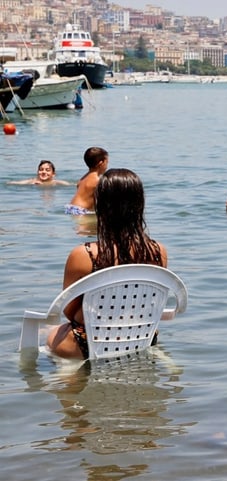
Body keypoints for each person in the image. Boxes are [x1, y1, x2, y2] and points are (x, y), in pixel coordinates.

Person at [47, 168, 168, 359]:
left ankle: (71, 380)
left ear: (100, 205)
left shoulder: (84, 254)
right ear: (140, 204)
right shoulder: (158, 251)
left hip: (86, 344)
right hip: (140, 339)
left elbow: (69, 312)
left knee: (50, 334)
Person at [64, 146, 109, 215]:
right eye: (107, 163)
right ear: (101, 164)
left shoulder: (84, 178)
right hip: (81, 210)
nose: (107, 166)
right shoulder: (97, 181)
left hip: (71, 207)